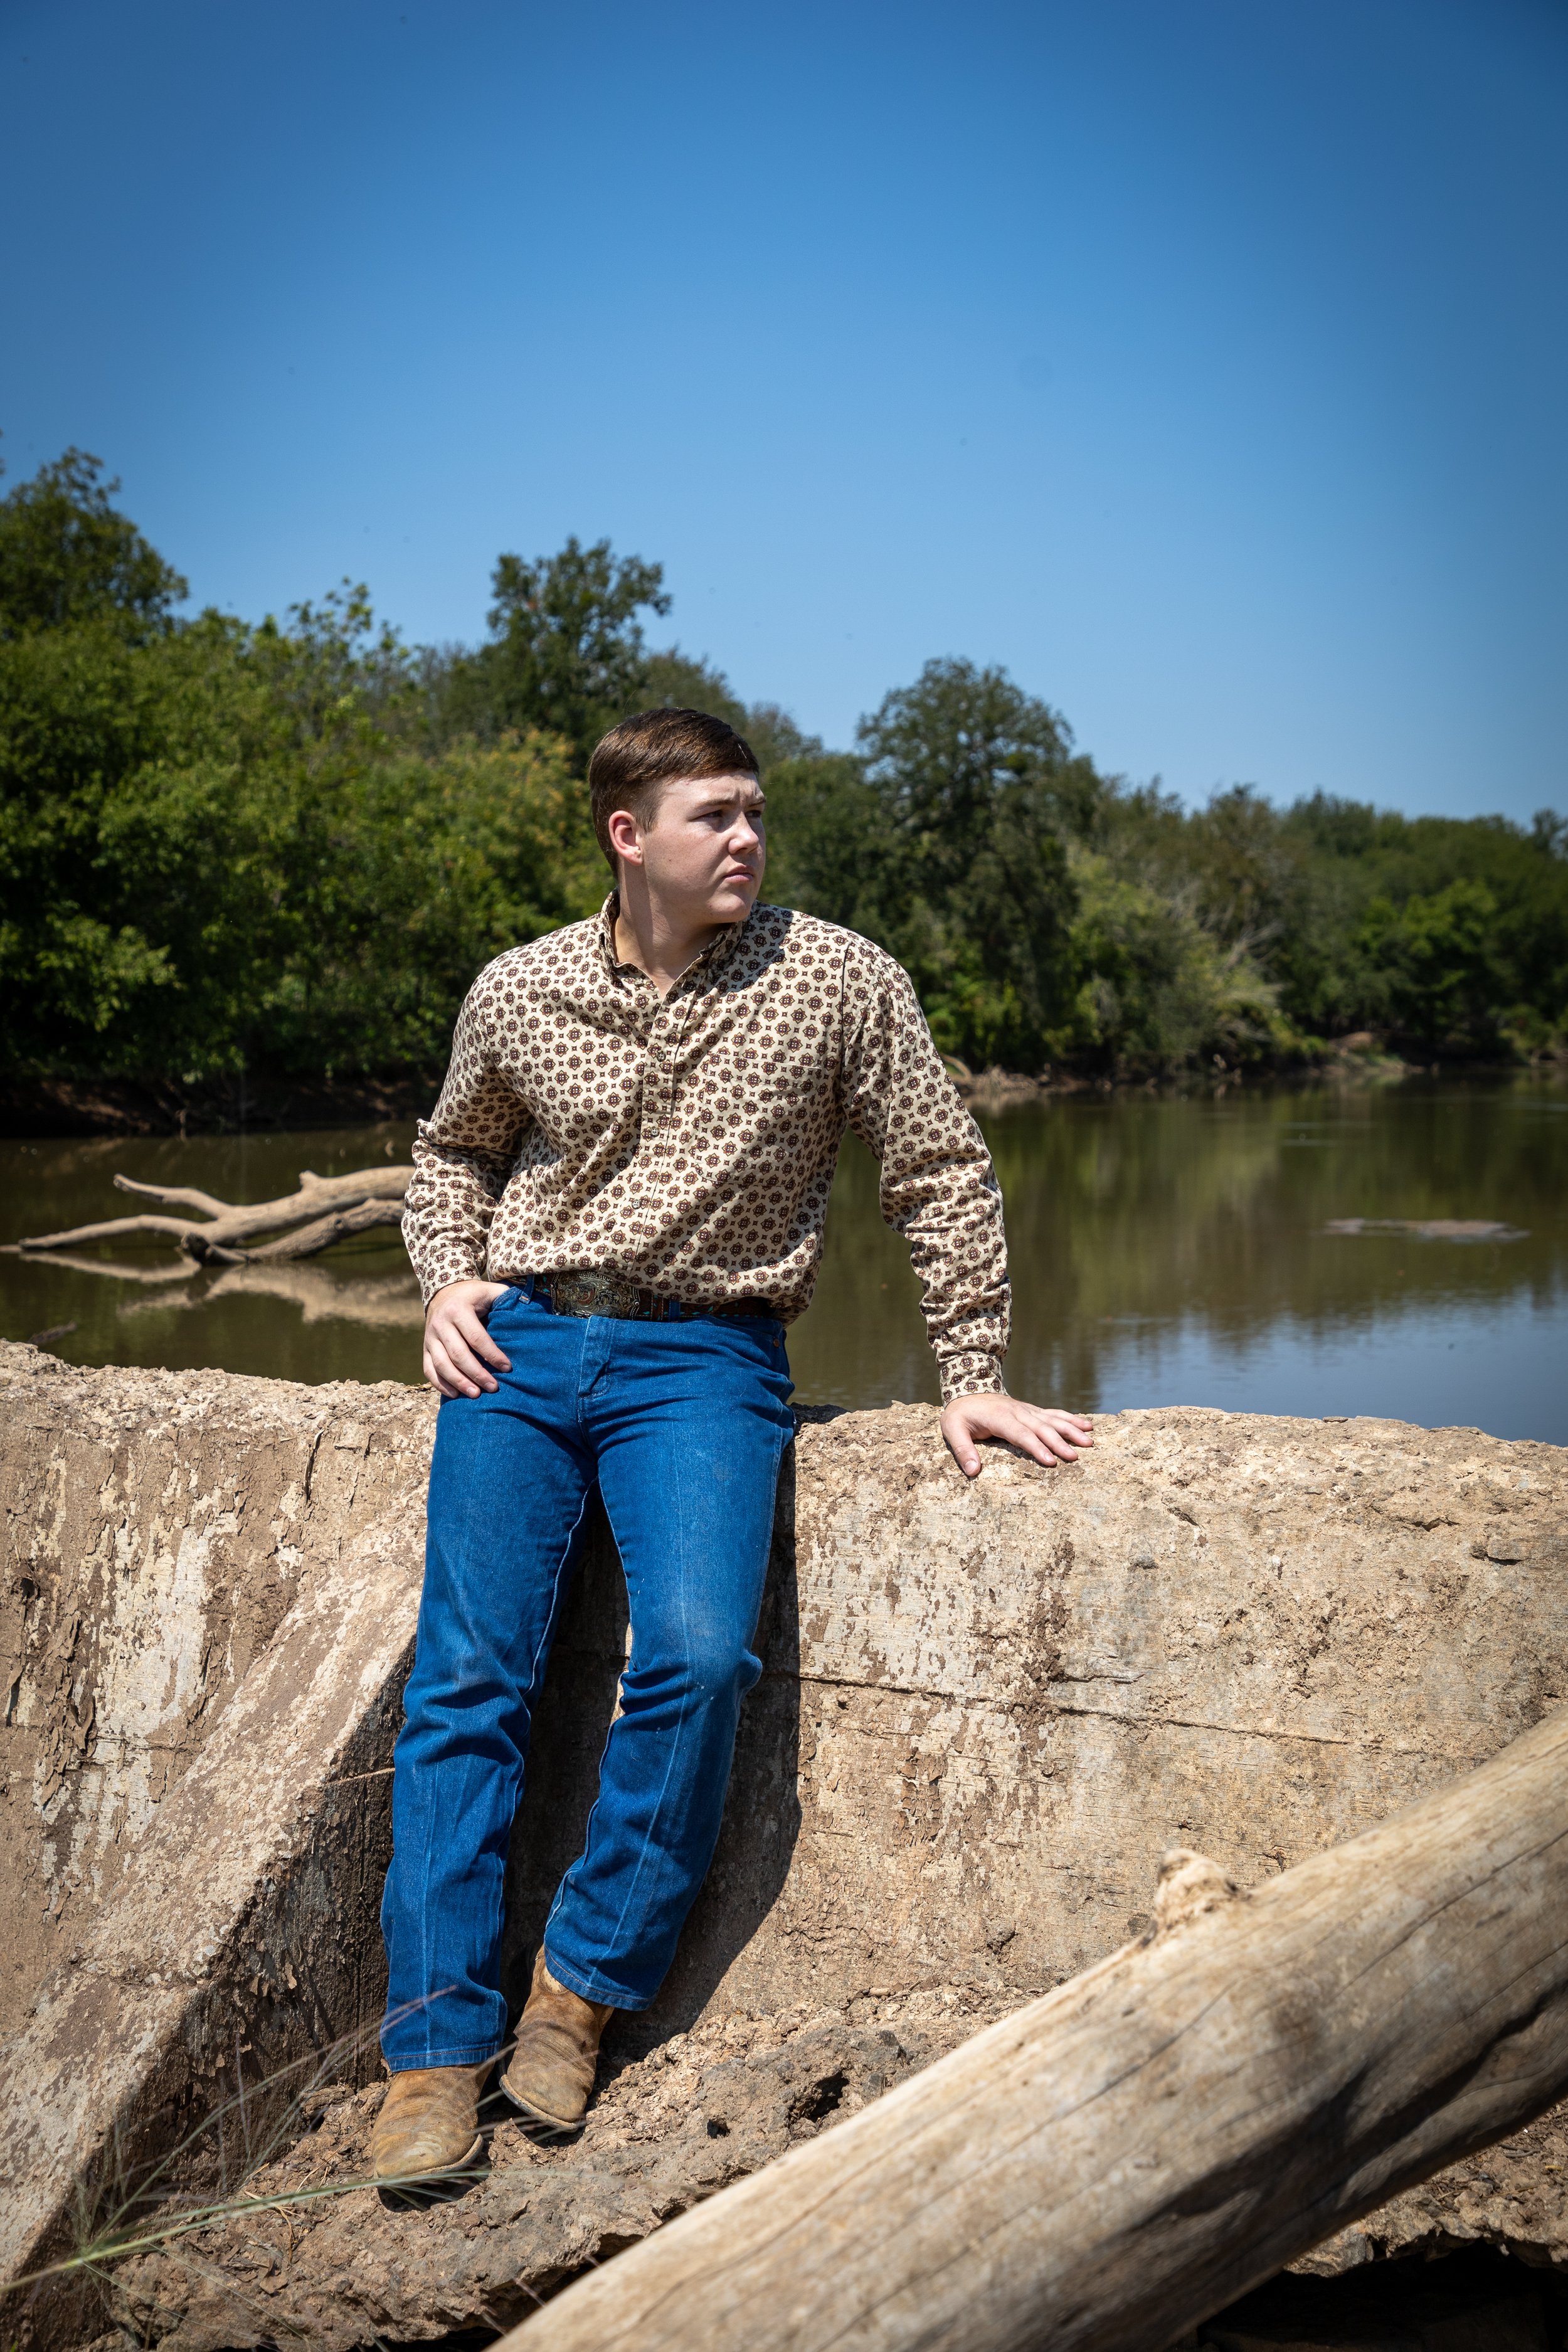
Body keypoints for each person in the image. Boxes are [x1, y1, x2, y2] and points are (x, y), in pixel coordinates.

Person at [369, 706, 1093, 2181]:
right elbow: (454, 1154)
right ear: (628, 837)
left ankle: (576, 1991)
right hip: (518, 1345)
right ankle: (434, 2052)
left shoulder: (836, 980)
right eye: (716, 817)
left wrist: (967, 1372)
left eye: (755, 812)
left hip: (705, 1357)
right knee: (464, 1684)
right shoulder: (517, 991)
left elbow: (939, 1167)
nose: (748, 839)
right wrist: (444, 1275)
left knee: (698, 1656)